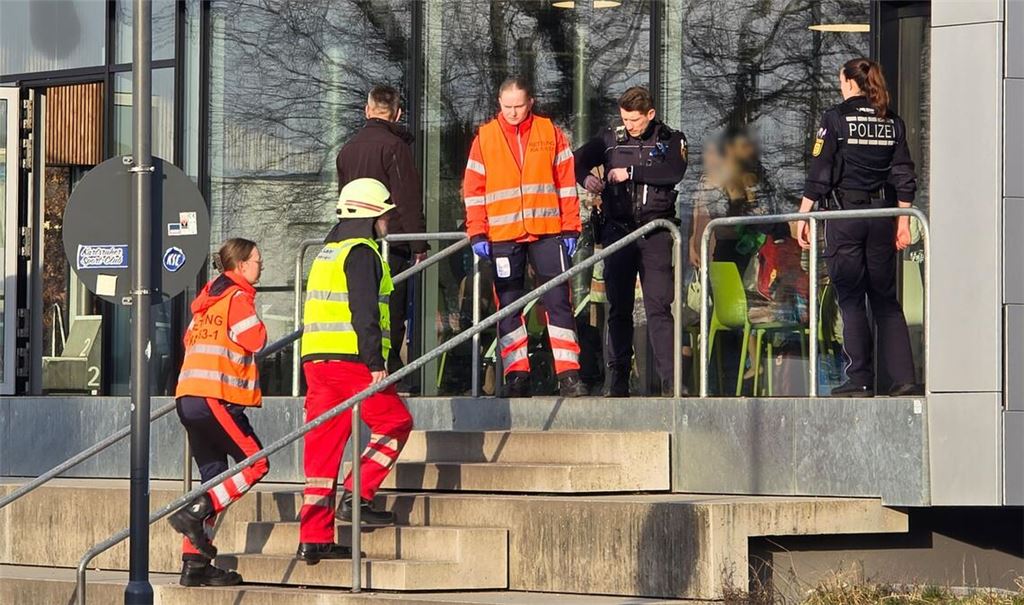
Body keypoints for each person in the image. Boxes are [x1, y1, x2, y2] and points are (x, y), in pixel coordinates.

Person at [297, 177, 414, 564]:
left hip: (316, 361)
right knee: (395, 422)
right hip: (353, 362)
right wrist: (376, 363)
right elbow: (364, 312)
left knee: (322, 452)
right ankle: (358, 493)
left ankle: (314, 538)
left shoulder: (325, 253)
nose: (387, 222)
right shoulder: (362, 252)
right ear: (370, 215)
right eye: (384, 214)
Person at [794, 57, 920, 398]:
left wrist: (803, 215)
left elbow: (821, 170)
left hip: (844, 217)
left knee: (850, 297)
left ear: (850, 82)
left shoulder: (835, 119)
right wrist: (903, 221)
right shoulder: (891, 121)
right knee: (885, 300)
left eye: (841, 80)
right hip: (882, 216)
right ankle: (904, 378)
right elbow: (904, 176)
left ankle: (860, 379)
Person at [462, 76, 588, 398]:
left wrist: (571, 226)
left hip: (547, 232)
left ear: (530, 102)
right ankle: (517, 375)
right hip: (503, 236)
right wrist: (477, 231)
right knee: (508, 305)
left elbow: (565, 184)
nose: (513, 113)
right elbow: (473, 191)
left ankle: (569, 374)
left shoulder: (551, 133)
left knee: (558, 301)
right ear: (499, 104)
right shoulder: (485, 138)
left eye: (519, 106)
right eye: (507, 107)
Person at [573, 86, 689, 397]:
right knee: (618, 308)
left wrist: (631, 172)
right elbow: (577, 160)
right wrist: (587, 178)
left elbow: (674, 171)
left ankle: (672, 382)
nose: (630, 126)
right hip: (618, 231)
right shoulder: (611, 138)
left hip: (654, 233)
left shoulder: (670, 138)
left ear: (650, 115)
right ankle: (618, 381)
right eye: (625, 119)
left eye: (635, 120)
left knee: (659, 307)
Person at [167, 238, 269, 587]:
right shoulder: (237, 298)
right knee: (257, 463)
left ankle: (194, 563)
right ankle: (194, 512)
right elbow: (255, 339)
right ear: (240, 266)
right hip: (215, 398)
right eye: (257, 261)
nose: (261, 266)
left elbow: (187, 341)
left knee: (214, 477)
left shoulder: (205, 302)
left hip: (188, 398)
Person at [337, 85, 427, 391]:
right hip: (393, 242)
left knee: (363, 303)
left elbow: (343, 198)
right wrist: (418, 244)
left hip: (354, 239)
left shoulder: (347, 149)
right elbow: (408, 198)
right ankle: (389, 370)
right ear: (398, 114)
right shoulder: (394, 147)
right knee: (392, 307)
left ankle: (369, 366)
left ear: (367, 110)